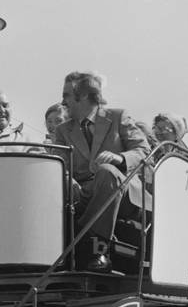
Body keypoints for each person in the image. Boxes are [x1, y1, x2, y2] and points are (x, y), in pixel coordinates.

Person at [53, 71, 149, 272]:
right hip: (85, 193)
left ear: (84, 96)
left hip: (123, 192)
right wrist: (67, 179)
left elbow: (145, 152)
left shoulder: (117, 117)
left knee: (106, 171)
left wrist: (120, 158)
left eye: (67, 95)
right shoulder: (63, 130)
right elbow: (60, 165)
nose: (62, 101)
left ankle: (97, 249)